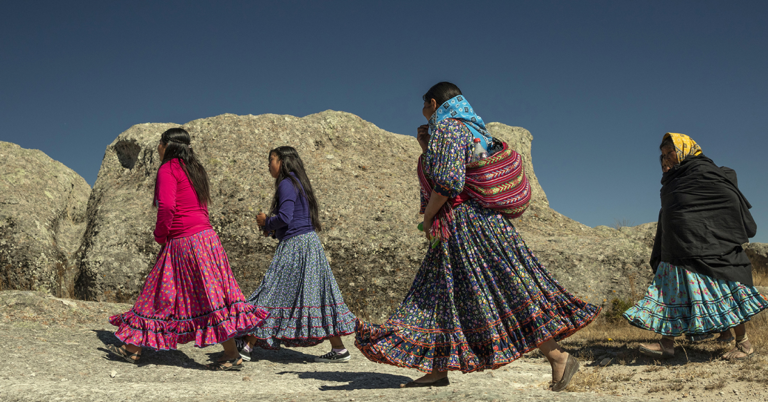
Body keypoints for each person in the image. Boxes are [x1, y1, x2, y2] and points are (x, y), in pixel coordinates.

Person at [355, 82, 600, 390]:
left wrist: (429, 216)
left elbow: (448, 182)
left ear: (433, 104)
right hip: (478, 224)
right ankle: (437, 369)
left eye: (425, 107)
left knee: (501, 293)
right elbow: (457, 170)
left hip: (466, 226)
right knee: (443, 295)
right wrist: (426, 148)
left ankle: (559, 357)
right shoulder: (473, 131)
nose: (423, 113)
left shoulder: (448, 129)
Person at [107, 127, 269, 370]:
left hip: (185, 239)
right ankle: (230, 353)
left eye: (159, 145)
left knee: (158, 293)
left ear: (166, 145)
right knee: (212, 296)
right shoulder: (196, 170)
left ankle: (133, 349)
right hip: (207, 239)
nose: (158, 149)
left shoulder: (168, 168)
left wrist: (161, 235)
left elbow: (167, 208)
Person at [623, 133, 768, 360]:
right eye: (662, 155)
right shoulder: (673, 178)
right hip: (677, 246)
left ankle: (744, 345)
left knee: (723, 290)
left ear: (683, 149)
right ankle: (666, 344)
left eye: (669, 152)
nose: (665, 159)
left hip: (707, 246)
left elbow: (728, 198)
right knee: (670, 292)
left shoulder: (703, 171)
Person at [237, 146, 356, 362]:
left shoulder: (286, 183)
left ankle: (246, 345)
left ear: (282, 161)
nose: (268, 165)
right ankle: (339, 349)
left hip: (296, 246)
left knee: (272, 290)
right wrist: (273, 230)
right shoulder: (298, 182)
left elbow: (285, 217)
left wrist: (267, 222)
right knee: (320, 295)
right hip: (309, 244)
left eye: (271, 159)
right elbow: (294, 219)